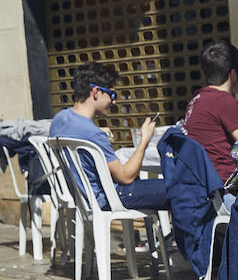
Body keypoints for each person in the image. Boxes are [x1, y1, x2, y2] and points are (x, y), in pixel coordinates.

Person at [49, 62, 167, 210]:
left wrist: (97, 133)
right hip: (107, 197)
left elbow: (81, 132)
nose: (114, 101)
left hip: (80, 197)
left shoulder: (60, 119)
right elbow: (126, 177)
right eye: (112, 95)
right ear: (96, 92)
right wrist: (144, 140)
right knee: (182, 189)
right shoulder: (93, 134)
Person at [183, 40, 238, 183]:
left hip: (202, 184)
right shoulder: (225, 101)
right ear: (233, 74)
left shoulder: (197, 99)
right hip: (225, 187)